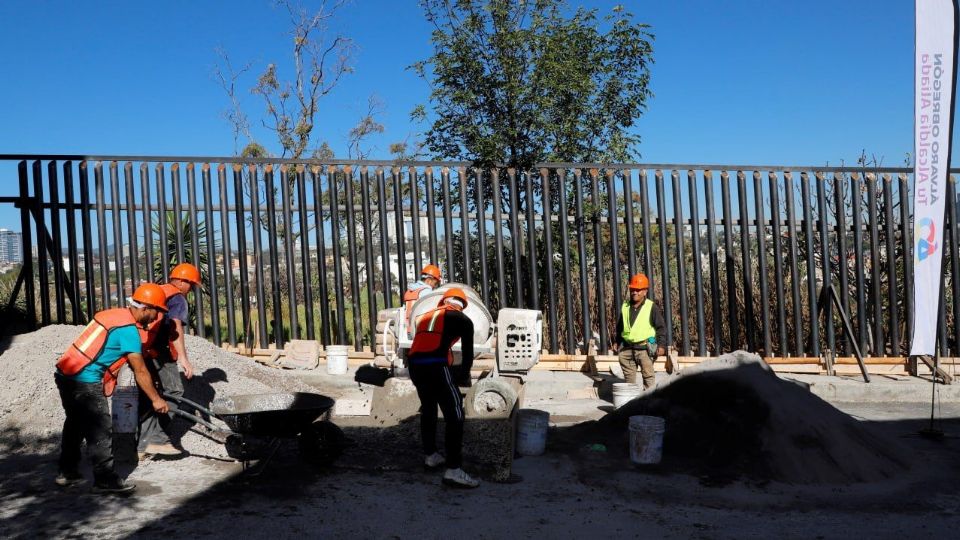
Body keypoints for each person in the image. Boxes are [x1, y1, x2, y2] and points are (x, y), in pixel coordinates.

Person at [54, 283, 170, 494]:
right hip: (84, 380)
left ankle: (67, 471)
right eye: (156, 312)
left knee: (75, 423)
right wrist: (156, 399)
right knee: (100, 428)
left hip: (65, 374)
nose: (155, 319)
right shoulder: (128, 330)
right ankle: (105, 480)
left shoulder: (113, 315)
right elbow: (140, 371)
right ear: (145, 308)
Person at [406, 287, 479, 488]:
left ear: (443, 302)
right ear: (462, 305)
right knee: (455, 412)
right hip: (436, 364)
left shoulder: (424, 316)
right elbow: (467, 355)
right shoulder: (462, 320)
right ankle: (454, 469)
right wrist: (462, 376)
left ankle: (431, 455)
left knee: (428, 407)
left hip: (414, 365)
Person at [137, 262, 201, 459]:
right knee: (174, 391)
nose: (190, 289)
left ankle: (141, 445)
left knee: (150, 395)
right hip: (158, 350)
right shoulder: (178, 298)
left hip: (140, 349)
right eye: (190, 284)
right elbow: (177, 328)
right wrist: (184, 358)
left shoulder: (157, 292)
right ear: (181, 282)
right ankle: (157, 439)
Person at [612, 273, 667, 390]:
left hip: (644, 349)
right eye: (632, 289)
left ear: (645, 292)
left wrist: (661, 346)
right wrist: (617, 341)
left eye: (638, 290)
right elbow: (620, 327)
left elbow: (661, 328)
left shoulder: (651, 307)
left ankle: (649, 404)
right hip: (627, 349)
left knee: (648, 379)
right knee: (629, 382)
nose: (634, 292)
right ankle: (631, 403)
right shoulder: (625, 306)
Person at [403, 264, 442, 334]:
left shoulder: (411, 290)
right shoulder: (426, 291)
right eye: (435, 283)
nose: (435, 286)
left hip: (407, 329)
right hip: (419, 329)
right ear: (429, 280)